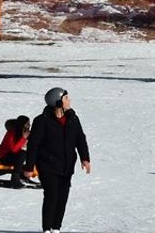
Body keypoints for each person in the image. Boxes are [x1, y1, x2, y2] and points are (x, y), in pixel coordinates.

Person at [28, 88, 91, 233]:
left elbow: (80, 139)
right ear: (58, 101)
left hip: (67, 165)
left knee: (62, 196)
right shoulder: (41, 121)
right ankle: (46, 228)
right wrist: (29, 166)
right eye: (66, 98)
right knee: (51, 195)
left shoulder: (73, 119)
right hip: (47, 165)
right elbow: (33, 145)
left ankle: (56, 227)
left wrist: (85, 158)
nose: (69, 101)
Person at [0, 115, 34, 187]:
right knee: (22, 154)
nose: (29, 126)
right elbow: (14, 149)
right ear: (22, 124)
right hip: (4, 157)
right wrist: (23, 138)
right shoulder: (11, 133)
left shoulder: (24, 132)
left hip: (14, 156)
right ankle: (15, 179)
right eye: (27, 124)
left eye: (29, 124)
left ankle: (24, 176)